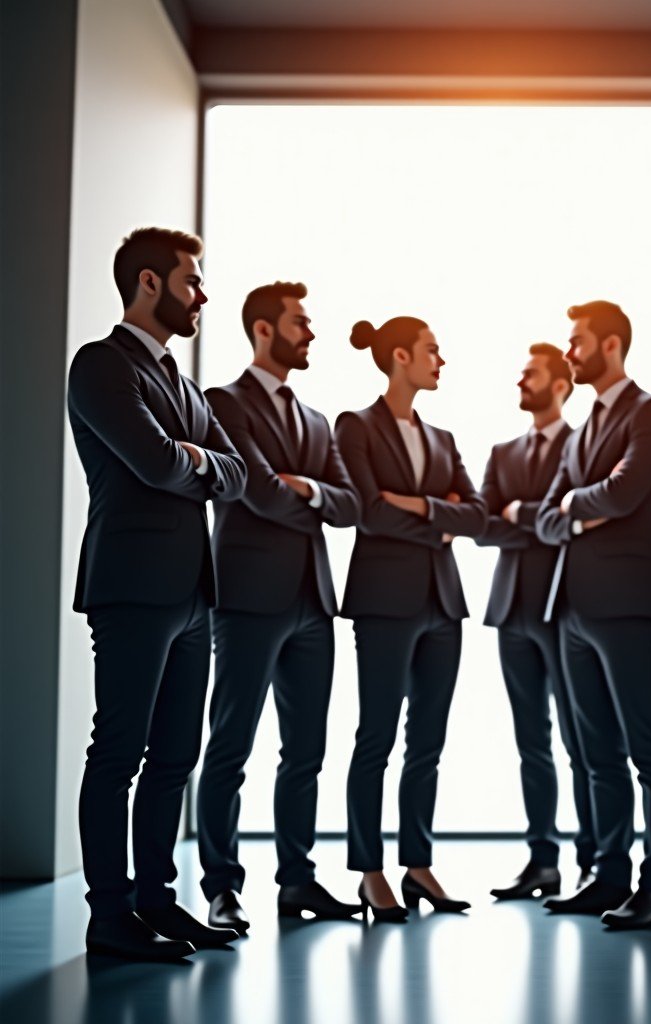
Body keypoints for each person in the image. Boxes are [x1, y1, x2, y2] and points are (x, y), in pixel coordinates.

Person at [67, 227, 246, 960]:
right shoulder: (100, 366)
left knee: (176, 754)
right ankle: (109, 917)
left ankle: (157, 902)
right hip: (132, 588)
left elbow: (234, 473)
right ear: (149, 282)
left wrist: (194, 459)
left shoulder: (181, 380)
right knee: (118, 752)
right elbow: (154, 464)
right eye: (192, 280)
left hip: (192, 595)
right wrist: (197, 460)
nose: (202, 294)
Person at [197, 282, 363, 932]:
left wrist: (311, 489)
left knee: (306, 751)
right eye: (301, 322)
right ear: (265, 330)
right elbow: (259, 494)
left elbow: (350, 506)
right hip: (247, 599)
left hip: (312, 602)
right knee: (231, 746)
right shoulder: (223, 404)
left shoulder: (319, 421)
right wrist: (308, 497)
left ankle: (297, 881)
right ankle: (221, 887)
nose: (311, 333)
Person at [335, 315, 487, 921]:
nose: (440, 361)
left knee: (427, 743)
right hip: (384, 602)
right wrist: (437, 517)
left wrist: (416, 505)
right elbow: (369, 513)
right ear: (401, 356)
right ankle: (370, 872)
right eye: (432, 350)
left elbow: (475, 517)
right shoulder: (357, 427)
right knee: (375, 737)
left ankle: (417, 865)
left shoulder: (444, 438)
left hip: (442, 606)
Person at [537, 300, 651, 931]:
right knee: (594, 751)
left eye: (578, 342)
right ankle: (609, 876)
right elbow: (546, 519)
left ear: (612, 345)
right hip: (569, 607)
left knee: (645, 746)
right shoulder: (581, 428)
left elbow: (627, 491)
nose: (570, 353)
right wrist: (579, 506)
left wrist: (576, 503)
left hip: (626, 605)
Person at [477, 343, 595, 900]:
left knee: (582, 739)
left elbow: (569, 520)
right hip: (511, 610)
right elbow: (482, 524)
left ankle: (594, 860)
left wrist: (520, 513)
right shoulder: (503, 451)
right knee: (532, 743)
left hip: (565, 605)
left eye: (531, 374)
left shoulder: (583, 446)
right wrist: (542, 519)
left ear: (561, 384)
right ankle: (542, 861)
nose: (521, 381)